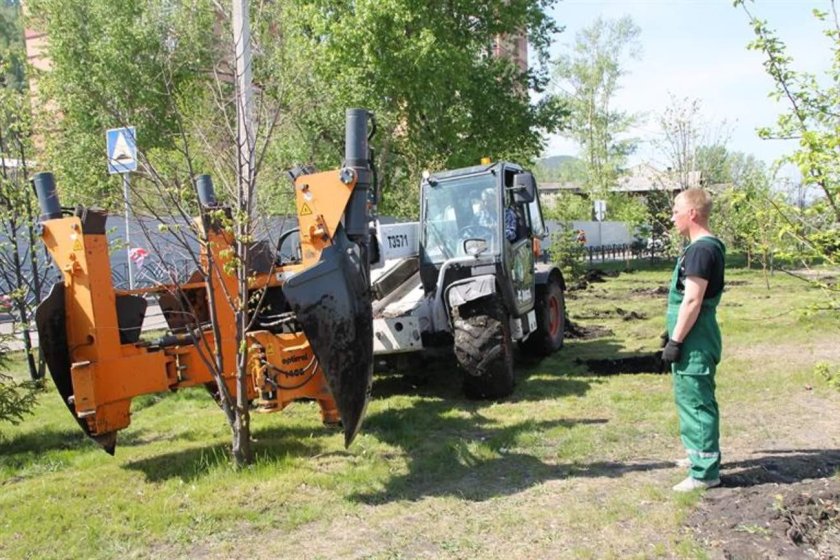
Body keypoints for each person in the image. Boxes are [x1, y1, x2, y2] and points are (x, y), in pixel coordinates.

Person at [661, 188, 726, 493]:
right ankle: (697, 455)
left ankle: (704, 472)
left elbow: (692, 302)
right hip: (694, 335)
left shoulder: (701, 250)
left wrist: (675, 341)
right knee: (690, 399)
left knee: (697, 402)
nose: (671, 217)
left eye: (676, 211)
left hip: (695, 340)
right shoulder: (701, 247)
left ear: (692, 214)